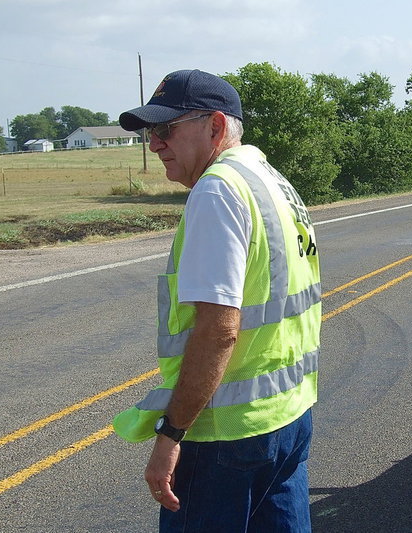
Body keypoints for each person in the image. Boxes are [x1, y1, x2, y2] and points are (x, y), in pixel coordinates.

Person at [113, 69, 321, 533]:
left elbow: (219, 328)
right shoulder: (271, 181)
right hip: (287, 415)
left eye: (167, 128)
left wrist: (171, 433)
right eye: (151, 131)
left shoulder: (217, 189)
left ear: (216, 126)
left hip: (226, 434)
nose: (155, 143)